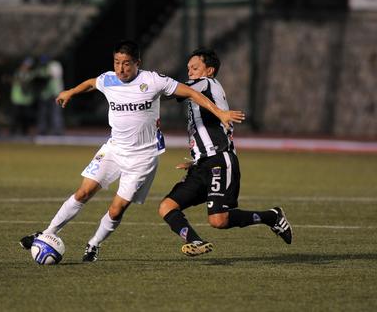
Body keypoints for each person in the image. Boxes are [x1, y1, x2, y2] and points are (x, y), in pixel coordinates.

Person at [19, 40, 245, 262]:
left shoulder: (153, 80)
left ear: (138, 62)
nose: (120, 68)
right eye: (117, 62)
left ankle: (93, 244)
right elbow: (91, 83)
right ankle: (48, 233)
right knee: (83, 192)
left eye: (126, 63)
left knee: (117, 209)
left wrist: (220, 113)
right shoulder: (109, 79)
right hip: (114, 149)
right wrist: (70, 91)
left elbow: (192, 93)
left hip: (142, 158)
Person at [158, 48, 292, 257]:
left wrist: (145, 89)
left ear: (209, 70)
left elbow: (172, 90)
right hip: (203, 164)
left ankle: (271, 217)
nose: (190, 72)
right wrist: (197, 157)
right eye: (188, 68)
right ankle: (196, 241)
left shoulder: (206, 83)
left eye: (195, 68)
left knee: (218, 220)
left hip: (220, 160)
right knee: (167, 206)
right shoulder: (204, 91)